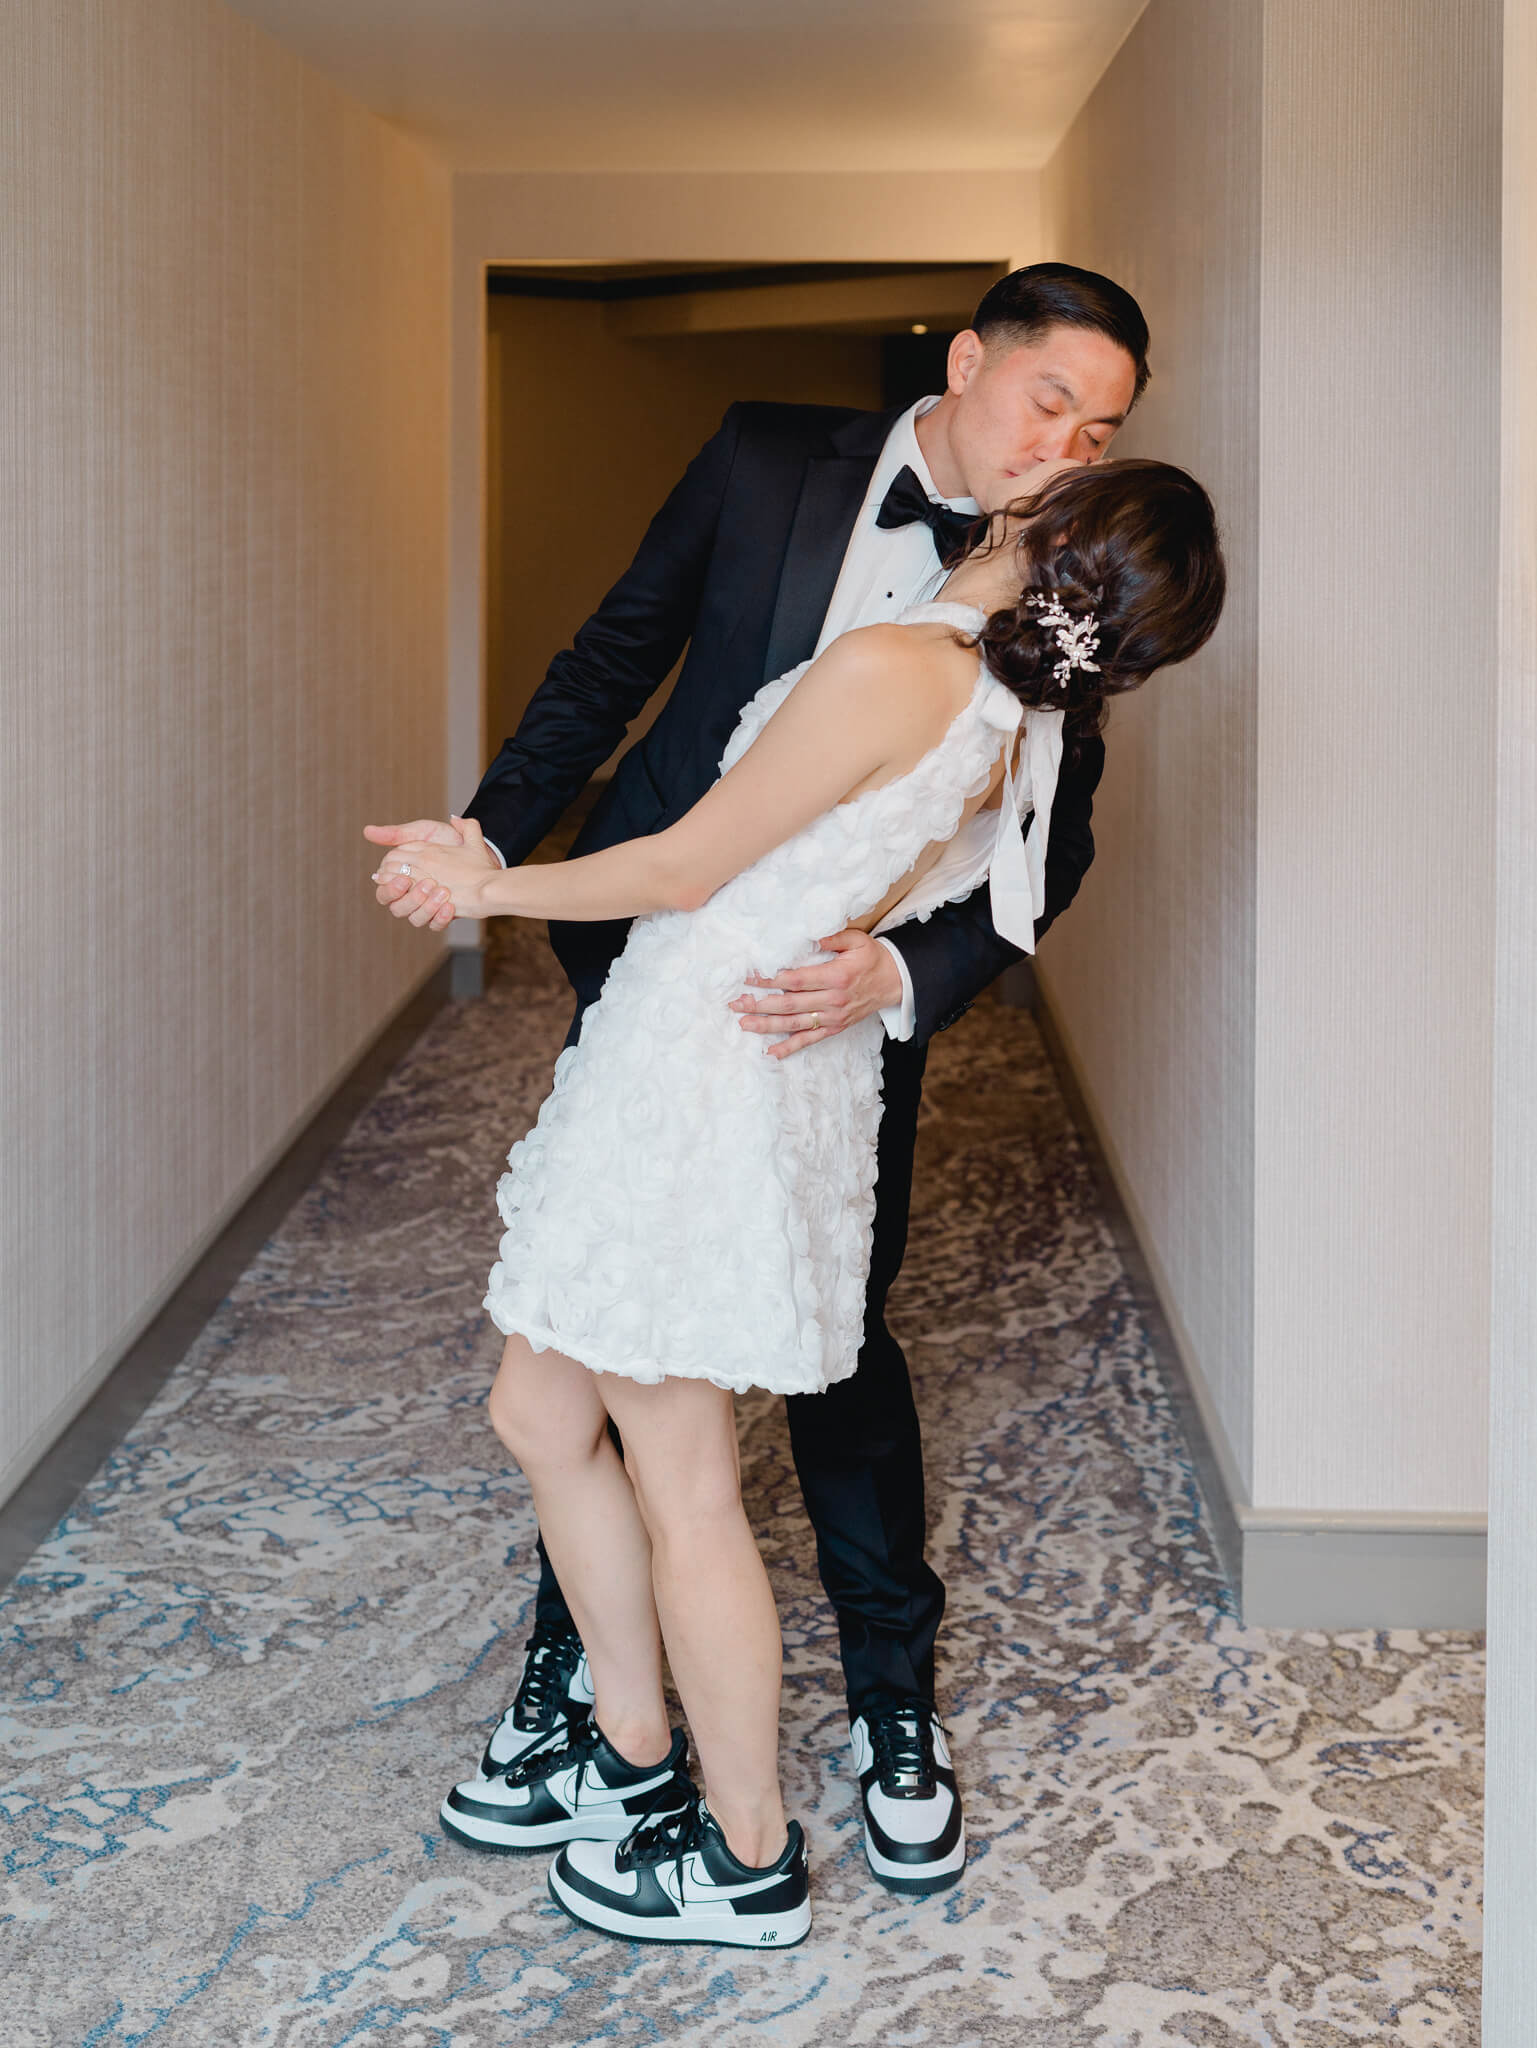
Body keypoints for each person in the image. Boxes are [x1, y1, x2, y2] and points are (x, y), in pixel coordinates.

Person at [368, 265, 1150, 1903]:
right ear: (965, 362)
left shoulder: (1033, 665)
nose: (1065, 443)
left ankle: (871, 1715)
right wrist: (491, 834)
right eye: (1047, 402)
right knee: (571, 1371)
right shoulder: (760, 459)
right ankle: (593, 1708)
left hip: (804, 1011)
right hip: (661, 985)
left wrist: (899, 975)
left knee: (815, 1356)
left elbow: (1037, 862)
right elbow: (610, 663)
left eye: (1103, 428)